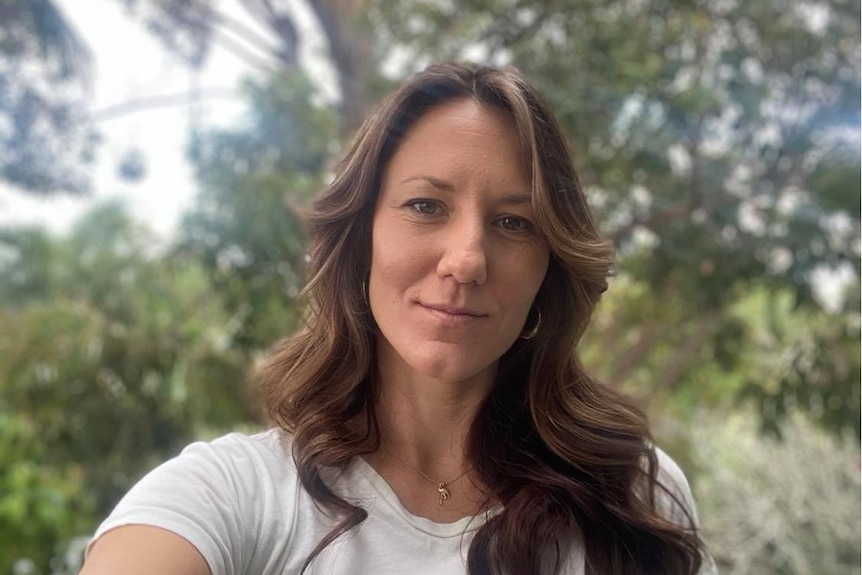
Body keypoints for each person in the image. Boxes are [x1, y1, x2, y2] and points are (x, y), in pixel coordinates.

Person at [81, 62, 712, 575]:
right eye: (425, 205)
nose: (466, 260)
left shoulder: (634, 495)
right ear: (362, 239)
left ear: (549, 266)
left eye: (514, 223)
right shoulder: (236, 496)